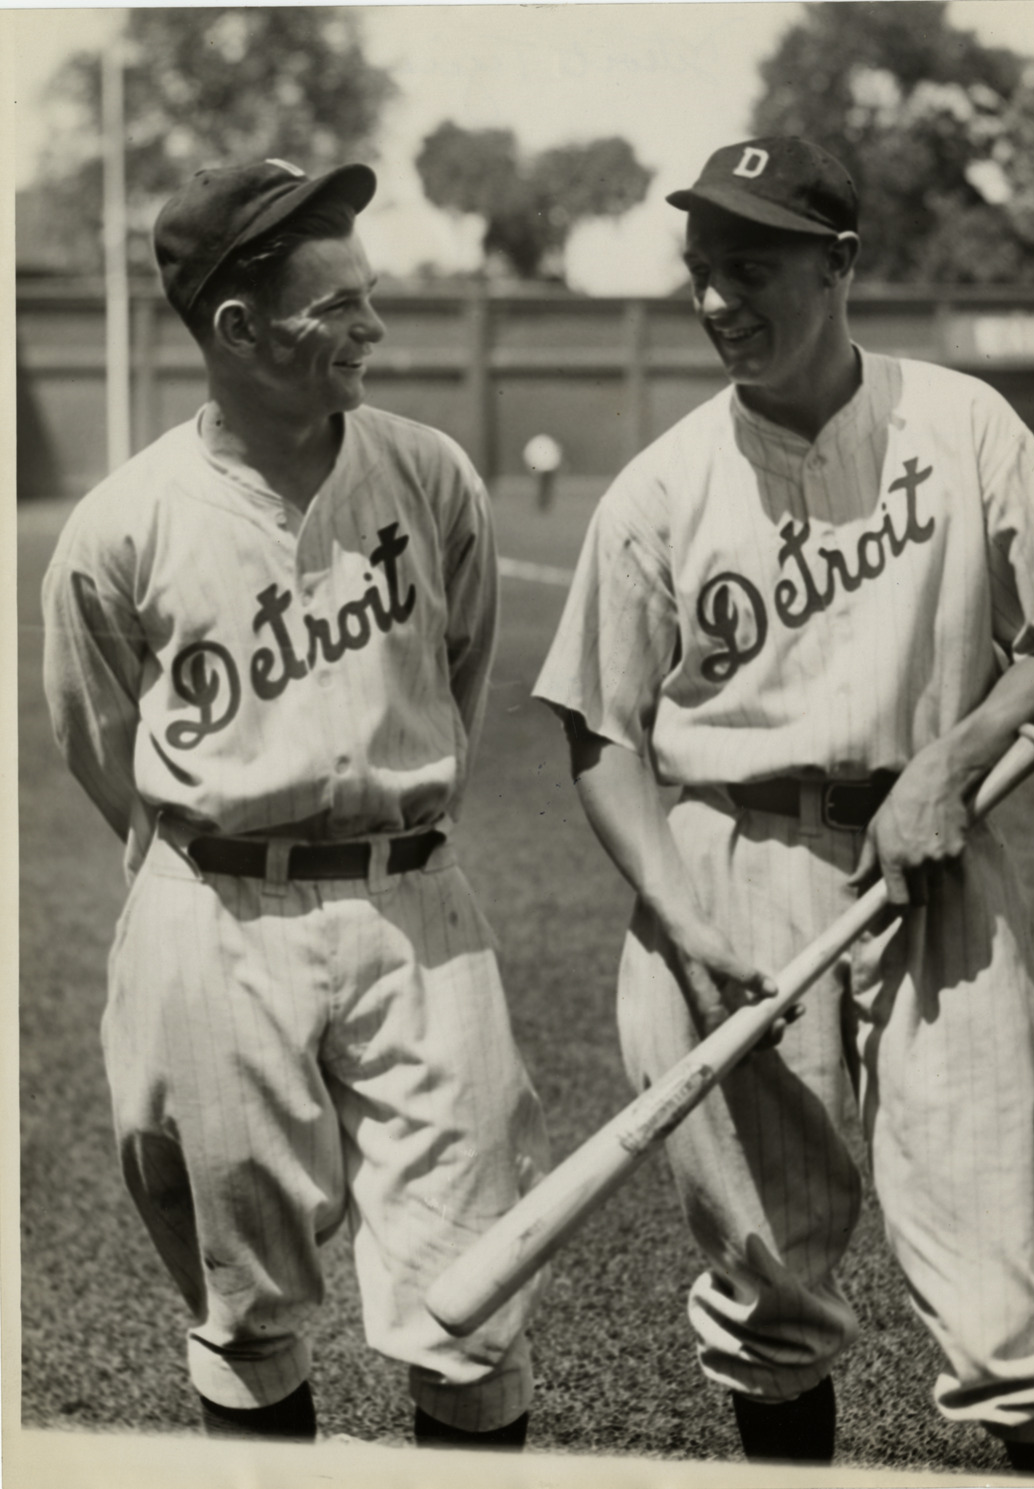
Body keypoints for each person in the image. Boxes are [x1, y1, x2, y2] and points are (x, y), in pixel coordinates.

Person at [533, 137, 1034, 1474]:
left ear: (841, 263)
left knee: (999, 1303)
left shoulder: (965, 425)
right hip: (727, 871)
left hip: (935, 866)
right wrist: (676, 914)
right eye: (701, 270)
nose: (717, 300)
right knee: (768, 1291)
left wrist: (950, 761)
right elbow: (599, 731)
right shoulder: (660, 488)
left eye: (751, 268)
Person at [42, 159, 549, 1448]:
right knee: (246, 1310)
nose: (373, 327)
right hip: (212, 916)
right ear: (239, 328)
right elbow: (98, 742)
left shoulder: (429, 474)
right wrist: (204, 857)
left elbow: (458, 675)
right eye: (340, 307)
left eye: (369, 296)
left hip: (417, 904)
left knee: (476, 1299)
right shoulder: (123, 523)